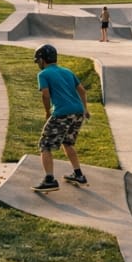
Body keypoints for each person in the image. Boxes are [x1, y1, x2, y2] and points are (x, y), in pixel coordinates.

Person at [32, 43, 89, 191]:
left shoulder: (43, 74)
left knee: (45, 144)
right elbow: (82, 91)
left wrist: (47, 112)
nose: (38, 63)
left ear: (43, 60)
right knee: (67, 142)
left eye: (38, 60)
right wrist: (85, 109)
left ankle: (49, 179)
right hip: (78, 113)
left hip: (62, 113)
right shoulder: (67, 71)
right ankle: (78, 175)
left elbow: (45, 95)